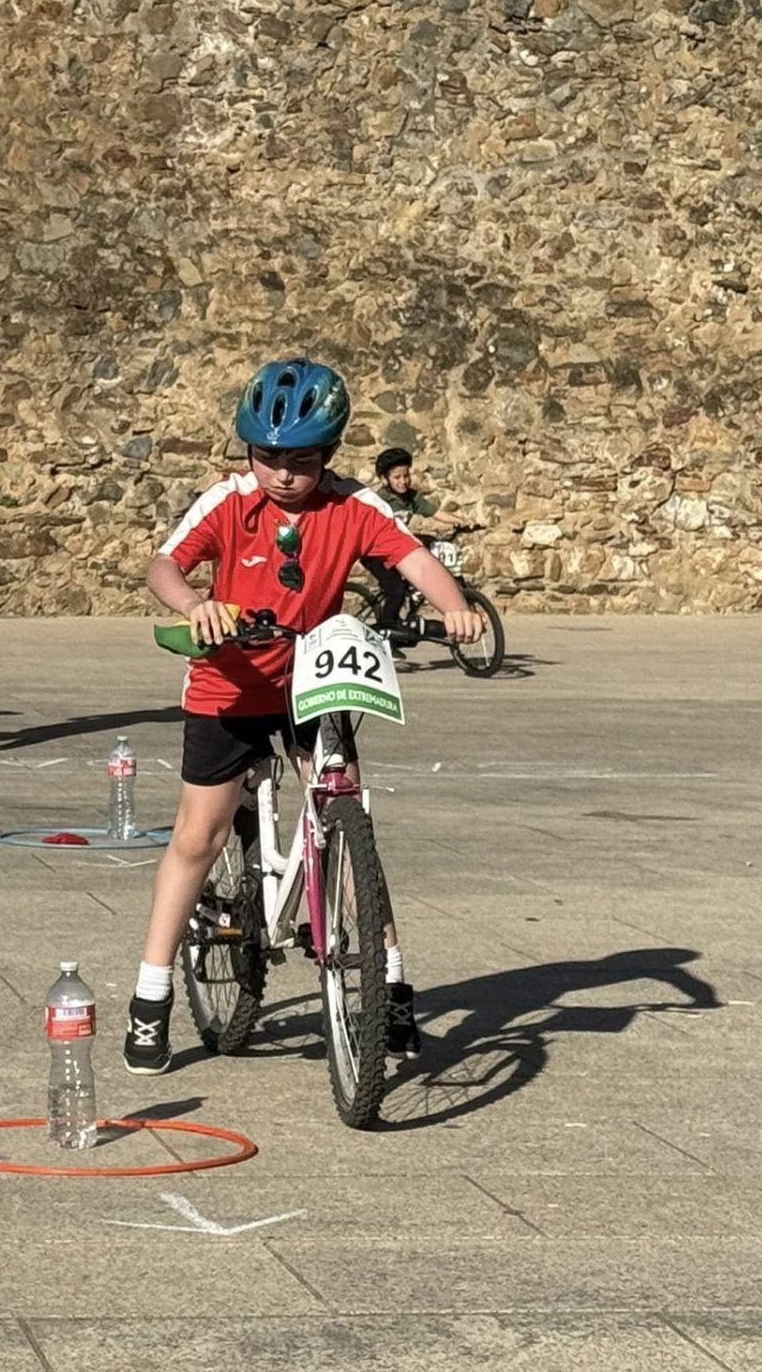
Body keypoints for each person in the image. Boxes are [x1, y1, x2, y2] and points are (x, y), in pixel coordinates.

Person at [123, 358, 483, 1076]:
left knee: (350, 823)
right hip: (229, 686)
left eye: (304, 460)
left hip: (311, 682)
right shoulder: (228, 503)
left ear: (330, 453)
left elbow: (413, 559)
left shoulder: (353, 508)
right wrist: (196, 605)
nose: (284, 474)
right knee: (199, 835)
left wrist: (454, 607)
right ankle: (151, 994)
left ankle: (389, 982)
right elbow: (165, 566)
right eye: (268, 458)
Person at [366, 447, 474, 640]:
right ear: (384, 479)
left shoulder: (411, 497)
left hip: (396, 548)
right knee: (396, 590)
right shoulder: (379, 500)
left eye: (406, 475)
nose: (403, 481)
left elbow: (435, 512)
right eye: (397, 477)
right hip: (374, 552)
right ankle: (387, 633)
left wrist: (459, 520)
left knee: (428, 550)